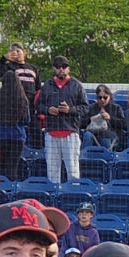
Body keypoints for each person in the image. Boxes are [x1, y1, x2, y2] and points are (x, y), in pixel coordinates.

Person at [36, 56, 87, 185]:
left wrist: (70, 110)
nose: (61, 69)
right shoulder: (47, 85)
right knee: (52, 173)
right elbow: (38, 106)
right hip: (51, 132)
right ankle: (53, 200)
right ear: (54, 68)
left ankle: (74, 197)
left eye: (64, 67)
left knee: (73, 171)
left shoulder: (77, 85)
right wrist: (48, 110)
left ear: (68, 68)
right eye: (58, 67)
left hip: (70, 132)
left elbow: (85, 108)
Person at [0, 60, 32, 181]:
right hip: (17, 138)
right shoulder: (22, 98)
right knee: (12, 168)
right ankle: (10, 192)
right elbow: (26, 120)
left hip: (0, 137)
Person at [0, 43, 42, 148]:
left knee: (36, 132)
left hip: (31, 107)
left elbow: (38, 89)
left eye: (18, 51)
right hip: (16, 106)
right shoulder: (9, 67)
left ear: (24, 53)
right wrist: (4, 59)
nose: (16, 53)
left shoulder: (33, 68)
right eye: (13, 51)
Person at [84, 85, 126, 151]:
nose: (102, 100)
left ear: (109, 97)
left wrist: (110, 118)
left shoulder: (116, 108)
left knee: (104, 135)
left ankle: (107, 158)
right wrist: (90, 119)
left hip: (110, 134)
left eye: (105, 97)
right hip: (93, 132)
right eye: (99, 97)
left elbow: (124, 124)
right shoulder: (91, 108)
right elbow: (81, 123)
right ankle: (85, 157)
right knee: (87, 135)